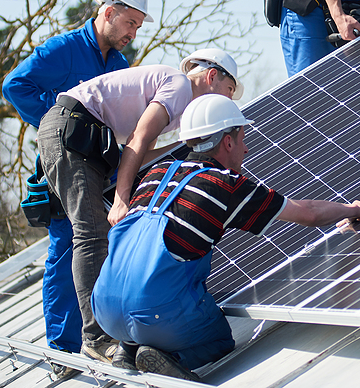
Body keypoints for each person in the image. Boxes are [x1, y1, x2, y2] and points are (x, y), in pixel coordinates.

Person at [91, 94, 360, 380]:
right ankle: (166, 357)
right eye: (243, 138)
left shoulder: (156, 173)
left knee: (143, 298)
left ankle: (126, 350)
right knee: (219, 340)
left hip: (103, 307)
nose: (247, 148)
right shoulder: (224, 185)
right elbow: (309, 213)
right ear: (228, 141)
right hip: (155, 312)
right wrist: (352, 209)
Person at [36, 48, 243, 365]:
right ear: (212, 76)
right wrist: (121, 199)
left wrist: (188, 144)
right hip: (72, 130)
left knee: (95, 233)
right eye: (229, 92)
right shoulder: (179, 86)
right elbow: (137, 140)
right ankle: (95, 338)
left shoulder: (178, 106)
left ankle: (113, 334)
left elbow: (137, 154)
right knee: (92, 234)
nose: (229, 102)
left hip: (84, 135)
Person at [1, 0, 151, 378]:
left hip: (100, 168)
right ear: (108, 12)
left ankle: (103, 334)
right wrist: (58, 127)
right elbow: (15, 86)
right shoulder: (63, 49)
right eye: (130, 23)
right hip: (64, 167)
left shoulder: (119, 67)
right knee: (66, 247)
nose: (133, 33)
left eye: (138, 26)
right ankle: (62, 350)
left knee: (101, 243)